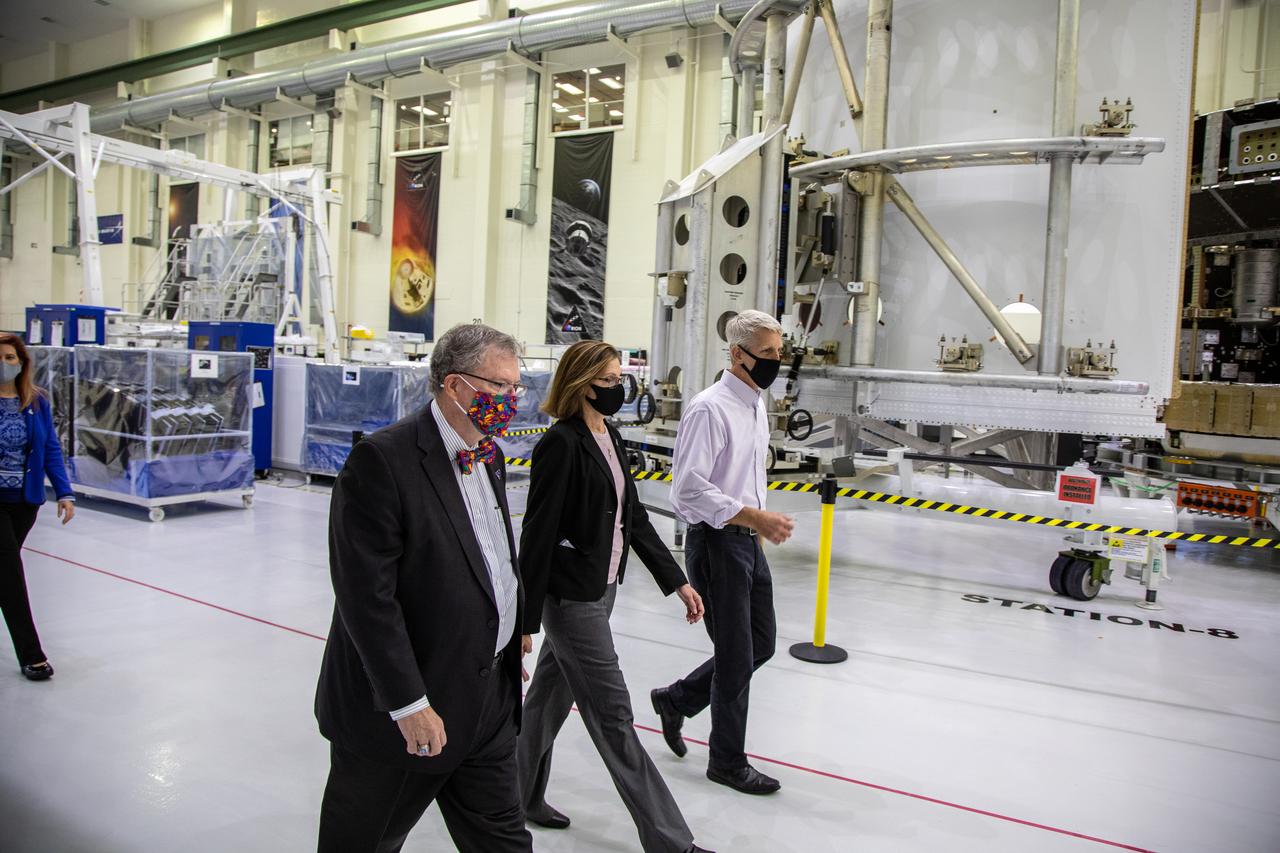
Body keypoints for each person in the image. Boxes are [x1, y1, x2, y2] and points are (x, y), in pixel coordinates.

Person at [315, 323, 533, 853]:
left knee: (504, 841)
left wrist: (508, 629)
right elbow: (367, 600)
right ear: (455, 386)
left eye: (516, 387)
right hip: (407, 711)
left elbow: (491, 555)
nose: (511, 400)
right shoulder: (383, 461)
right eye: (500, 386)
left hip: (488, 698)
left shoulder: (489, 455)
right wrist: (407, 703)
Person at [517, 340, 713, 853]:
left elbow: (635, 520)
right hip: (571, 600)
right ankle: (670, 842)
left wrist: (677, 581)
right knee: (615, 718)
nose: (618, 388)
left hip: (603, 590)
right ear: (583, 384)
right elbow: (537, 535)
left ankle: (513, 801)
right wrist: (524, 622)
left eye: (619, 378)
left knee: (545, 703)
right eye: (608, 380)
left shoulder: (611, 433)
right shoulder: (561, 444)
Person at [651, 310, 795, 796]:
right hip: (716, 544)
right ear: (738, 354)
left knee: (761, 643)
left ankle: (676, 699)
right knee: (735, 658)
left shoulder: (755, 405)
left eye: (779, 352)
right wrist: (755, 517)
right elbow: (687, 491)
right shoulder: (709, 409)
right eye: (768, 353)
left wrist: (756, 527)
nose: (776, 360)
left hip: (748, 544)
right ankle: (727, 762)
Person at [0, 334, 75, 682]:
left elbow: (50, 449)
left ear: (22, 362)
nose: (4, 363)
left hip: (24, 502)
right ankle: (32, 655)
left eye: (10, 357)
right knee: (10, 575)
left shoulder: (36, 401)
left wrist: (64, 492)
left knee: (4, 574)